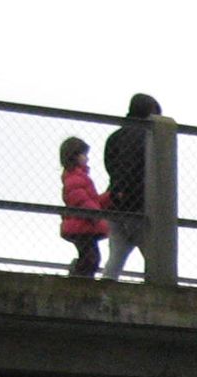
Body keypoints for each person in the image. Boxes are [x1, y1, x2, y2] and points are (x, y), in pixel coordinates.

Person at [100, 92, 162, 279]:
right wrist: (125, 189)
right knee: (155, 256)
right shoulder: (146, 136)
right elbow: (132, 165)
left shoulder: (116, 136)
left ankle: (105, 290)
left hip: (116, 205)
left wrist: (117, 189)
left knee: (116, 256)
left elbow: (110, 164)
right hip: (138, 205)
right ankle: (159, 291)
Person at [56, 137, 108, 278]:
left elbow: (90, 200)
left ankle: (79, 276)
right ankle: (78, 278)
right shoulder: (75, 177)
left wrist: (107, 198)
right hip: (83, 225)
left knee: (90, 257)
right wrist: (95, 213)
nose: (87, 158)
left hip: (83, 224)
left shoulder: (77, 176)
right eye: (84, 155)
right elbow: (80, 199)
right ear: (75, 156)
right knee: (91, 258)